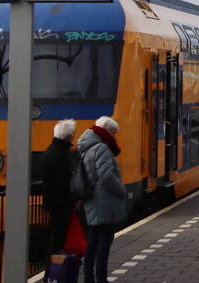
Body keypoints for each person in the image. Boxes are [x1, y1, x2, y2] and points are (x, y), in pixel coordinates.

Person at [78, 116, 127, 283]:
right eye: (113, 133)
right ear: (107, 131)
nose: (114, 137)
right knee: (103, 244)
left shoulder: (86, 147)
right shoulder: (101, 148)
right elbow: (106, 177)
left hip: (92, 200)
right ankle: (101, 278)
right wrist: (122, 191)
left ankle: (89, 278)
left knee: (92, 241)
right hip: (104, 202)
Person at [40, 118, 77, 258]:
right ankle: (52, 274)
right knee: (57, 240)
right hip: (60, 204)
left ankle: (52, 273)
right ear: (69, 136)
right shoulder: (60, 155)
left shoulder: (51, 151)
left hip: (53, 202)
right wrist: (73, 200)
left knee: (56, 238)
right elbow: (63, 182)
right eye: (73, 134)